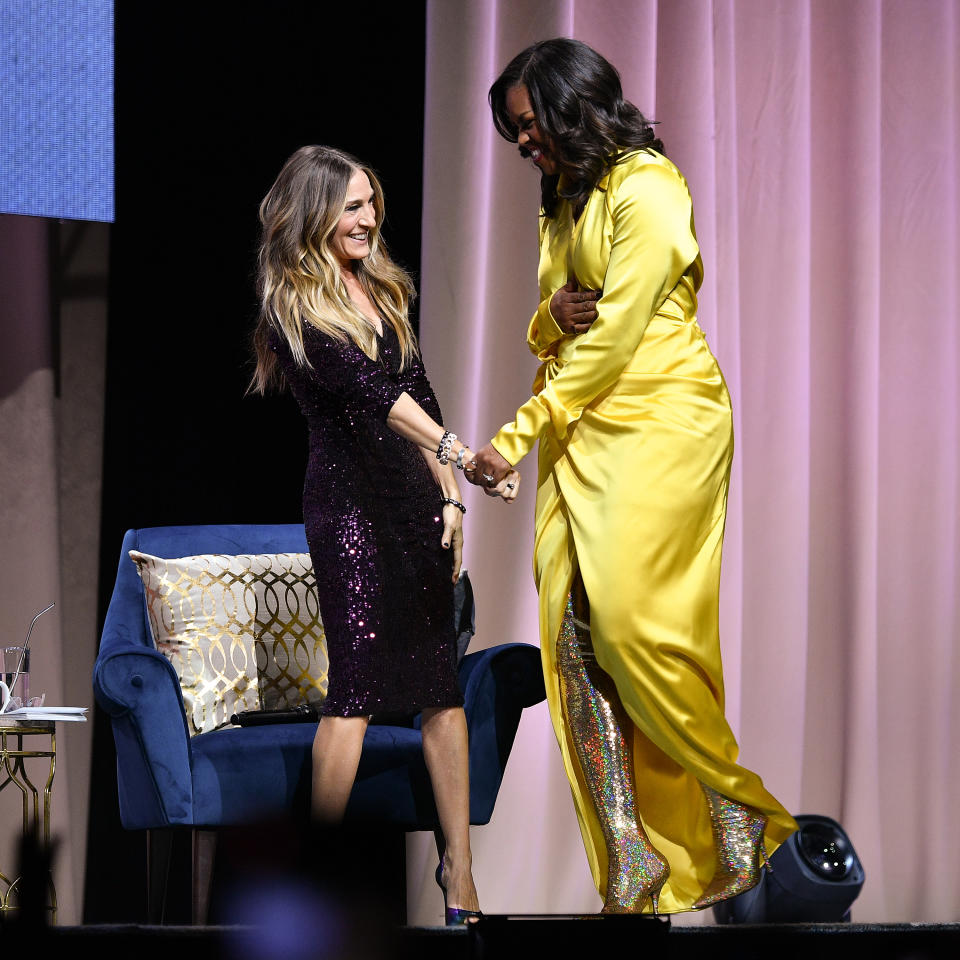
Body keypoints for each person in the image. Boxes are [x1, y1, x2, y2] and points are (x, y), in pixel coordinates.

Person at [466, 39, 798, 914]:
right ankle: (631, 867)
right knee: (573, 643)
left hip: (660, 422)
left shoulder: (650, 186)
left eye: (531, 128)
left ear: (573, 105)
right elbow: (563, 323)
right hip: (584, 429)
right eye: (515, 138)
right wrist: (548, 316)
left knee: (638, 633)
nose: (526, 149)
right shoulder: (565, 198)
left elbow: (615, 338)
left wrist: (516, 429)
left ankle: (742, 828)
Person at [249, 145, 518, 924]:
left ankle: (459, 877)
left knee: (442, 689)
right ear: (314, 212)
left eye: (372, 203)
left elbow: (418, 391)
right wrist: (462, 457)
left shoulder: (382, 292)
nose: (368, 219)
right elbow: (373, 397)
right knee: (357, 692)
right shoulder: (293, 304)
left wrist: (452, 498)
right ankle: (314, 878)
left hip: (412, 504)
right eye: (353, 206)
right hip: (350, 513)